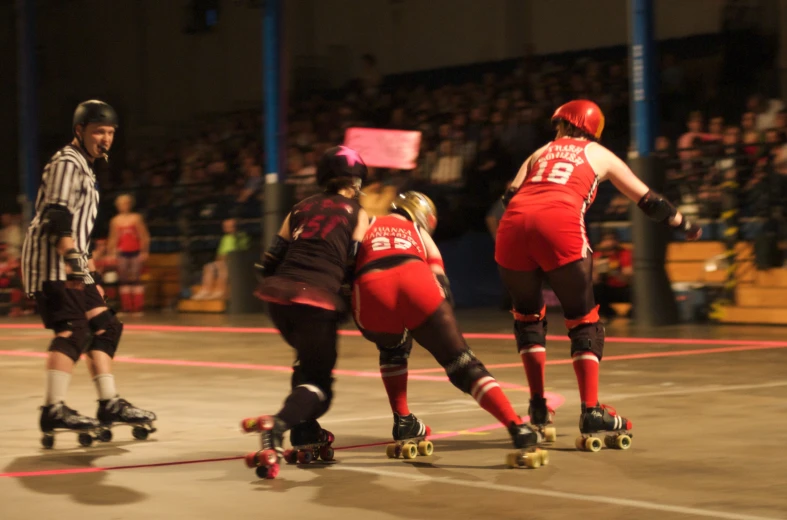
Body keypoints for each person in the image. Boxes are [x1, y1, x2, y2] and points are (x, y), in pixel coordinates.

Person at [495, 100, 701, 450]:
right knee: (583, 319)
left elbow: (509, 195)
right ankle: (590, 410)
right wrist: (683, 223)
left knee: (528, 317)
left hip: (513, 225)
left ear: (563, 125)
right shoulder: (600, 154)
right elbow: (647, 199)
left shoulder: (540, 151)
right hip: (559, 223)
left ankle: (538, 407)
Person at [352, 191, 545, 461]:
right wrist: (441, 328)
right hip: (415, 277)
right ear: (425, 218)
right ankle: (516, 426)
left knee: (392, 347)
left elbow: (348, 260)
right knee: (462, 363)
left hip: (371, 288)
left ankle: (403, 418)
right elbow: (440, 280)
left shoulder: (368, 222)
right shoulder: (418, 230)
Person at [20, 100, 156, 448]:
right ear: (79, 131)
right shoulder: (67, 162)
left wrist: (88, 269)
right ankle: (53, 409)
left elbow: (78, 227)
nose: (106, 138)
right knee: (72, 330)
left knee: (107, 326)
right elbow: (57, 216)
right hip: (54, 262)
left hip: (74, 260)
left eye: (110, 132)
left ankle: (108, 404)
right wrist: (72, 261)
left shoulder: (85, 166)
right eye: (99, 131)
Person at [243, 146, 370, 478]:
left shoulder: (299, 208)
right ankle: (278, 426)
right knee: (319, 385)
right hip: (316, 300)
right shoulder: (357, 211)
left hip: (277, 298)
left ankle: (305, 431)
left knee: (307, 363)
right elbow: (355, 261)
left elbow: (266, 263)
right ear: (355, 182)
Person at [107, 194, 149, 315]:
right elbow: (113, 238)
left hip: (135, 251)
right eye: (120, 204)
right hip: (122, 252)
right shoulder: (115, 220)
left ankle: (138, 307)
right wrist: (111, 253)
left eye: (125, 203)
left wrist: (144, 251)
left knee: (135, 278)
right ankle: (127, 307)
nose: (123, 206)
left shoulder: (136, 218)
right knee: (123, 279)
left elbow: (143, 236)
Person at [192, 218, 249, 300]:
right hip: (223, 262)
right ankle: (205, 290)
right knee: (208, 266)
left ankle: (220, 291)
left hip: (236, 263)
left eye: (229, 226)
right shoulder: (225, 238)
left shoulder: (242, 237)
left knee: (223, 268)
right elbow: (220, 254)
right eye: (225, 226)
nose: (226, 228)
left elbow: (242, 253)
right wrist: (219, 261)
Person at [592, 229, 633, 319]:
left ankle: (632, 314)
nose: (609, 243)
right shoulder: (596, 256)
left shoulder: (625, 253)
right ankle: (607, 313)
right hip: (606, 289)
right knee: (593, 290)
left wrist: (613, 271)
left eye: (612, 239)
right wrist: (596, 270)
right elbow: (593, 280)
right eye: (606, 240)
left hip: (623, 288)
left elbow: (629, 276)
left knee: (637, 290)